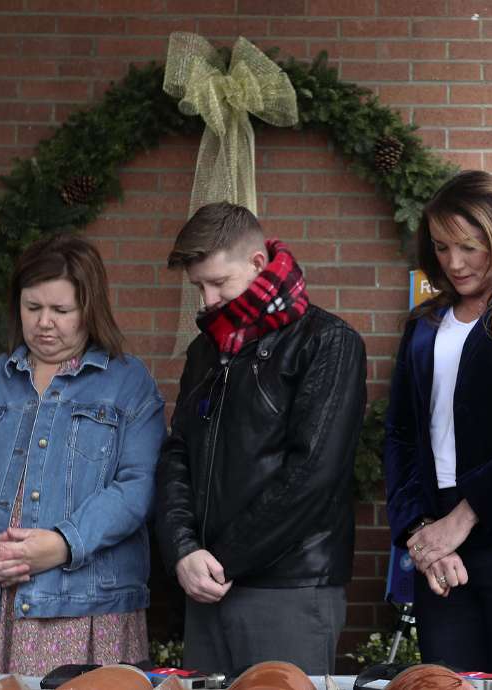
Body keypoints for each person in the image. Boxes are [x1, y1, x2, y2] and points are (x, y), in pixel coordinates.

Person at [0, 233, 165, 676]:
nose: (44, 322)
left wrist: (64, 543)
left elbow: (137, 486)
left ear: (91, 309)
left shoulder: (129, 384)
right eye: (33, 308)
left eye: (61, 310)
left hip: (82, 608)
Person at [155, 201, 366, 675]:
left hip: (289, 587)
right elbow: (177, 455)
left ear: (257, 264)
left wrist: (221, 560)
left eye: (218, 283)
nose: (207, 300)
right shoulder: (205, 350)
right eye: (198, 287)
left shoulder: (327, 342)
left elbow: (314, 473)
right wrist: (184, 552)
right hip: (207, 585)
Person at [383, 170, 492, 671]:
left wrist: (463, 519)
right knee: (447, 682)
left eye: (468, 246)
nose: (454, 263)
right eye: (440, 248)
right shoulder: (425, 322)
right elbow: (398, 434)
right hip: (435, 543)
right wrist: (422, 531)